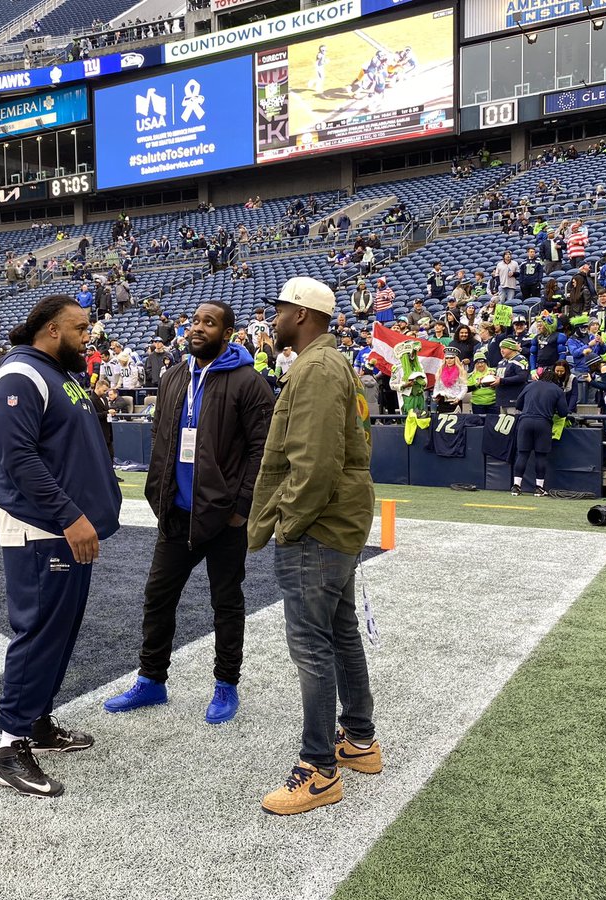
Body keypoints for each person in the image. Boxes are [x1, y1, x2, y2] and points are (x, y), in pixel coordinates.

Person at [104, 301, 273, 723]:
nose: (197, 328)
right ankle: (152, 680)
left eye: (209, 323)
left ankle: (226, 684)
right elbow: (162, 437)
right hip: (176, 513)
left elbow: (262, 451)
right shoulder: (176, 374)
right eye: (195, 321)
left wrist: (241, 508)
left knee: (226, 603)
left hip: (223, 517)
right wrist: (158, 495)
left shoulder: (248, 382)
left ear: (228, 332)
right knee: (158, 597)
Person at [248, 277, 378, 816]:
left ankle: (319, 769)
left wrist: (289, 523)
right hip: (336, 524)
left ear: (301, 314)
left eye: (278, 309)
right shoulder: (326, 363)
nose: (272, 317)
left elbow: (315, 462)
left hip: (319, 527)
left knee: (312, 645)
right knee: (339, 632)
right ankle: (360, 742)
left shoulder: (316, 368)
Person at [0, 295, 123, 799]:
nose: (89, 336)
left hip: (68, 528)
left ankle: (37, 723)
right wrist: (70, 515)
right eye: (80, 328)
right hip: (43, 530)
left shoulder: (60, 372)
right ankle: (8, 747)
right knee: (39, 631)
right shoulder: (20, 375)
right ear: (50, 330)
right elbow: (17, 457)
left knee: (60, 632)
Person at [511, 370, 569, 497]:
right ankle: (539, 488)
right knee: (540, 456)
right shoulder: (557, 390)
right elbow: (564, 412)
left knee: (522, 454)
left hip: (525, 421)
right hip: (543, 423)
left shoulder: (529, 385)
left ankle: (516, 486)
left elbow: (518, 405)